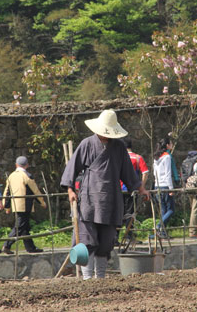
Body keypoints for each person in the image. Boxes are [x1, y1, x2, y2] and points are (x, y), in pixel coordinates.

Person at [60, 109, 150, 280]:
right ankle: (87, 278)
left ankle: (100, 278)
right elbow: (72, 169)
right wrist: (70, 190)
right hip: (89, 198)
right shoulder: (87, 144)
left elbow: (128, 173)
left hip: (111, 198)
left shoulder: (119, 147)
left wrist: (141, 188)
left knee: (106, 241)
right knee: (87, 240)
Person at [0, 156, 47, 254]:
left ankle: (30, 247)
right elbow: (35, 191)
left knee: (25, 227)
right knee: (20, 226)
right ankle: (6, 245)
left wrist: (6, 206)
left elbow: (7, 192)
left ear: (16, 165)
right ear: (27, 165)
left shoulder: (11, 176)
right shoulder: (27, 176)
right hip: (25, 204)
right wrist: (42, 202)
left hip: (16, 204)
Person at [117, 137, 149, 244]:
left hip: (119, 190)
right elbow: (145, 172)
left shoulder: (118, 157)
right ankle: (129, 237)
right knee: (130, 213)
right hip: (132, 190)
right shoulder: (137, 158)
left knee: (118, 212)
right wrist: (142, 186)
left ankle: (115, 238)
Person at [153, 137, 175, 238]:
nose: (172, 145)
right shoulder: (167, 157)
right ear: (167, 145)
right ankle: (159, 226)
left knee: (163, 210)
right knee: (171, 210)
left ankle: (162, 233)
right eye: (170, 143)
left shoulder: (156, 157)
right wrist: (171, 188)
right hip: (165, 185)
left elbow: (154, 173)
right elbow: (168, 173)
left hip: (157, 185)